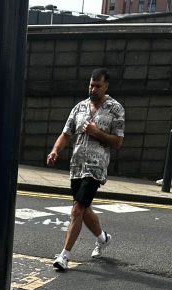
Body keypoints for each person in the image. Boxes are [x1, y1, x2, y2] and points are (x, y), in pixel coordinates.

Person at [46, 68, 125, 272]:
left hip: (95, 167)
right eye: (91, 85)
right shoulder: (79, 108)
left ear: (106, 85)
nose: (93, 89)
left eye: (97, 86)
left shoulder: (115, 109)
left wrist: (97, 132)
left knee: (77, 209)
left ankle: (64, 256)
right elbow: (66, 133)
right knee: (84, 208)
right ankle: (103, 238)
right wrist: (55, 151)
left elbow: (118, 142)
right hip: (76, 166)